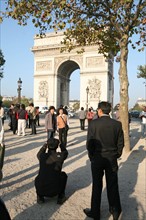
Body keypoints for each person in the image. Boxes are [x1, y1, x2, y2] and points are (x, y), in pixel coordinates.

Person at [84, 101, 124, 220]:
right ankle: (115, 211)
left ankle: (95, 212)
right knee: (112, 185)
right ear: (109, 111)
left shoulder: (93, 124)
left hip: (97, 157)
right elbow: (120, 142)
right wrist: (117, 154)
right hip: (111, 157)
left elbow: (89, 143)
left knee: (97, 185)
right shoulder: (117, 124)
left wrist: (91, 156)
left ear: (99, 110)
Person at [34, 138, 68, 205]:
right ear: (57, 146)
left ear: (48, 146)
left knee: (38, 178)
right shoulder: (60, 156)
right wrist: (61, 145)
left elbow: (39, 154)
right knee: (64, 175)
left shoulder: (42, 156)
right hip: (56, 190)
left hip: (41, 189)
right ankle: (61, 196)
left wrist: (44, 145)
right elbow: (65, 152)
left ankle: (40, 197)